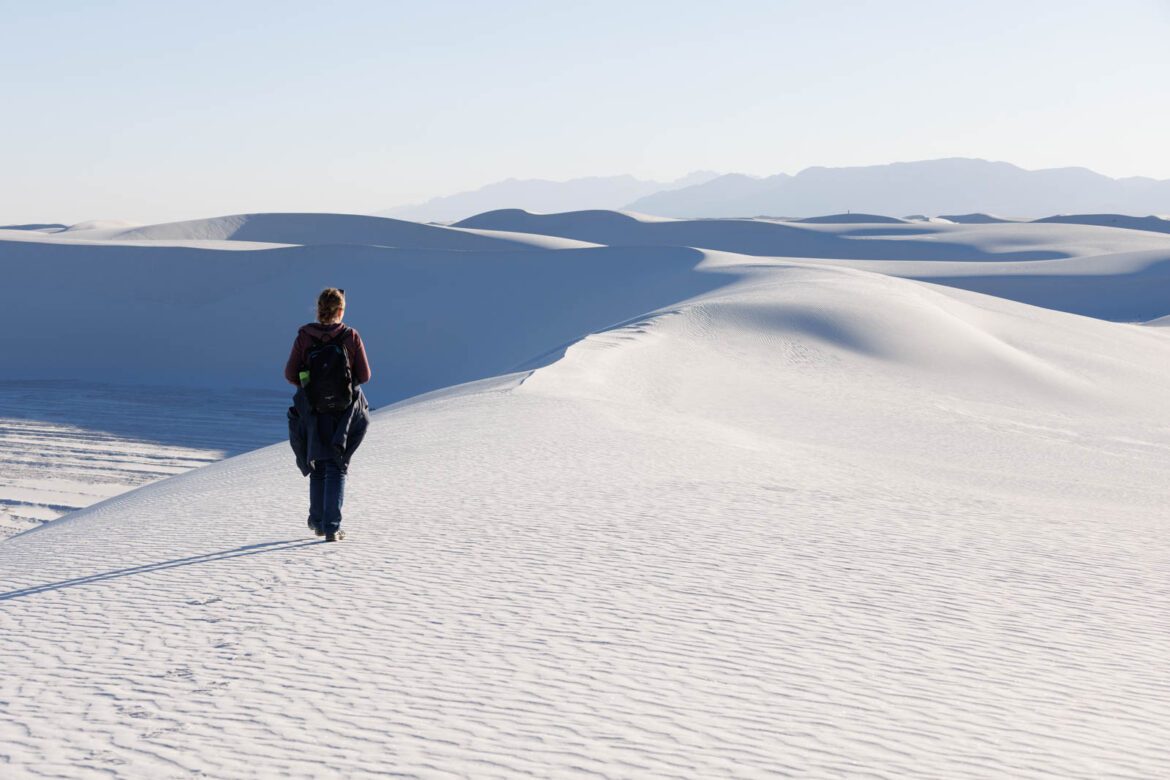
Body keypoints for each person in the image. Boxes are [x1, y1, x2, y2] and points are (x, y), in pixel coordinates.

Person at [285, 288, 372, 542]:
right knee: (337, 465)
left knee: (318, 465)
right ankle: (332, 526)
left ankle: (319, 522)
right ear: (341, 310)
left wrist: (310, 384)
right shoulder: (350, 336)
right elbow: (364, 376)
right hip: (343, 412)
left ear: (319, 309)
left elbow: (290, 374)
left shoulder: (305, 336)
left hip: (313, 410)